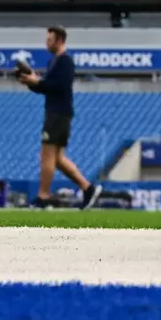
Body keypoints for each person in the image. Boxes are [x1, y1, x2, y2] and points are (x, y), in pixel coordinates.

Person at [19, 26, 102, 209]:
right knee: (57, 159)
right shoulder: (53, 62)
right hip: (56, 111)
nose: (46, 43)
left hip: (59, 113)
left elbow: (59, 86)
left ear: (60, 41)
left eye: (50, 40)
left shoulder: (66, 62)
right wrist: (31, 82)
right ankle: (88, 188)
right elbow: (46, 88)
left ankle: (43, 196)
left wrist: (38, 82)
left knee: (47, 154)